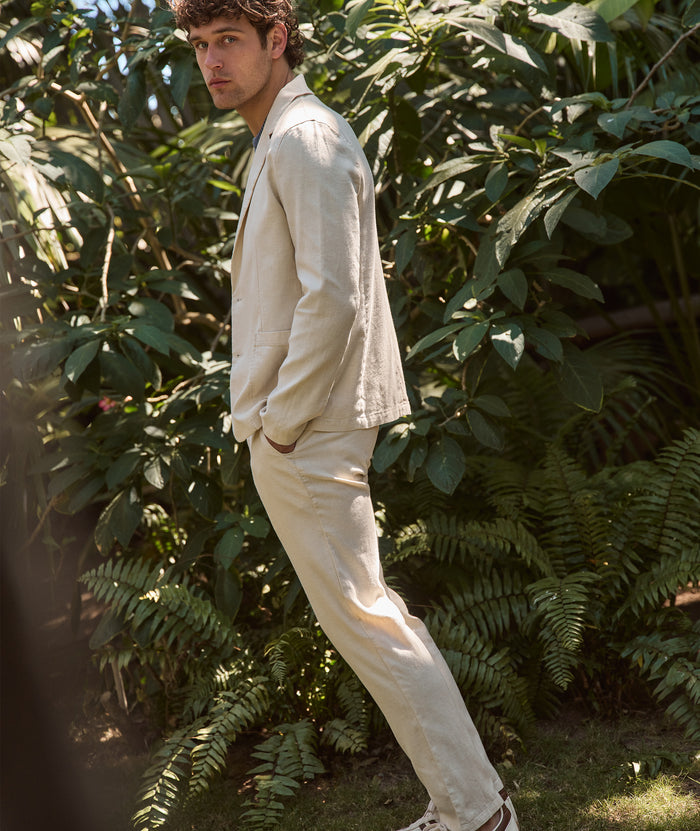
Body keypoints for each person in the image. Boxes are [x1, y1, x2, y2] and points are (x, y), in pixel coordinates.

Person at [167, 2, 519, 830]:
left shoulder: (305, 137)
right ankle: (465, 804)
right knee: (372, 616)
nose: (211, 61)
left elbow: (334, 297)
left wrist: (282, 422)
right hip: (306, 423)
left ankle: (477, 814)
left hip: (309, 426)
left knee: (369, 620)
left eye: (228, 40)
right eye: (200, 44)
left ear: (276, 40)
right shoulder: (284, 137)